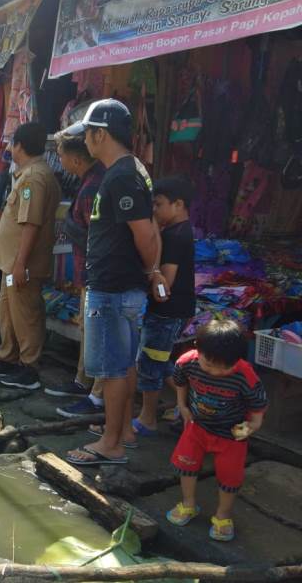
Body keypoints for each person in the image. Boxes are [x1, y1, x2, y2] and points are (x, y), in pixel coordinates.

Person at [63, 99, 160, 466]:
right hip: (119, 286)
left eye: (87, 133)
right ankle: (124, 432)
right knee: (124, 364)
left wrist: (152, 271)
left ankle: (111, 442)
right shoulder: (127, 171)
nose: (85, 140)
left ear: (100, 134)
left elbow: (146, 233)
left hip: (114, 288)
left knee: (113, 368)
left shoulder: (122, 176)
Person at [0, 122, 61, 390]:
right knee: (8, 310)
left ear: (20, 146)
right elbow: (18, 219)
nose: (9, 147)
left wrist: (21, 263)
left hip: (21, 265)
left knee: (25, 314)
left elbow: (31, 224)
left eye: (12, 142)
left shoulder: (34, 178)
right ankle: (8, 357)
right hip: (10, 263)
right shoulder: (26, 175)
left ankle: (29, 366)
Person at [166, 320, 267, 542]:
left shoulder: (246, 376)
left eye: (224, 368)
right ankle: (188, 504)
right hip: (197, 426)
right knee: (186, 465)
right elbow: (180, 382)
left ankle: (223, 515)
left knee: (230, 477)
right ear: (197, 349)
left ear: (238, 359)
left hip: (231, 434)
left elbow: (257, 411)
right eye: (209, 365)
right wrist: (182, 407)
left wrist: (249, 428)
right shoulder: (187, 362)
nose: (216, 372)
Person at [45, 132, 106, 416]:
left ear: (76, 158)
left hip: (96, 272)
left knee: (95, 331)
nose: (59, 160)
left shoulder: (96, 184)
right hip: (86, 271)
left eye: (61, 155)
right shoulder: (89, 181)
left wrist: (71, 227)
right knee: (86, 328)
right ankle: (83, 381)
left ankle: (96, 395)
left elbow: (97, 233)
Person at [131, 175, 196, 435]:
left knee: (149, 364)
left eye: (158, 205)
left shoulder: (174, 236)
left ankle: (147, 419)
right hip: (175, 311)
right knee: (161, 362)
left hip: (167, 312)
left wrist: (153, 244)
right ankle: (192, 404)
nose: (154, 211)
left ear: (178, 204)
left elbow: (163, 287)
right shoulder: (180, 231)